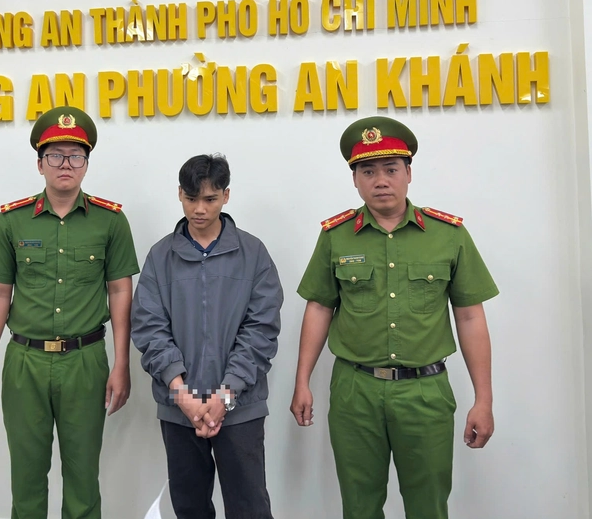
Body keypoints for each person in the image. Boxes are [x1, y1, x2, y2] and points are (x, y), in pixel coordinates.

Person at [290, 116, 498, 519]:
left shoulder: (448, 235)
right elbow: (319, 307)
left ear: (408, 173)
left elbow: (470, 318)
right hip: (355, 391)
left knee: (428, 506)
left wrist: (484, 400)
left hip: (425, 392)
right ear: (355, 180)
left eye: (391, 169)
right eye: (368, 171)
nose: (381, 180)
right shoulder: (336, 236)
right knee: (359, 506)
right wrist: (302, 381)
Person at [0, 106, 139, 519]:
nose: (66, 164)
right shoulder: (11, 222)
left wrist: (122, 364)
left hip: (85, 362)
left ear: (87, 164)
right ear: (39, 163)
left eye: (76, 156)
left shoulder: (110, 222)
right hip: (24, 363)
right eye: (55, 155)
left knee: (83, 479)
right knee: (27, 479)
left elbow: (120, 291)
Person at [131, 154, 283, 519]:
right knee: (189, 507)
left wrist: (226, 394)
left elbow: (261, 329)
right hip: (179, 408)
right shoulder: (160, 257)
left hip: (240, 408)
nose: (199, 209)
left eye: (210, 199)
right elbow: (150, 327)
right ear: (179, 194)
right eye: (191, 198)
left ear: (226, 196)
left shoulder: (253, 254)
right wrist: (181, 394)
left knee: (249, 508)